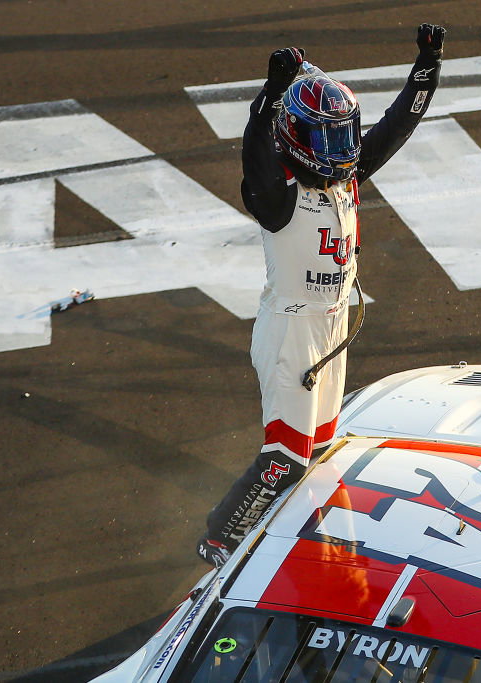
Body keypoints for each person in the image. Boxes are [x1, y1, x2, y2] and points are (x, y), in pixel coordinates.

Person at [198, 24, 446, 567]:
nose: (337, 151)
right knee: (287, 457)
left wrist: (427, 66)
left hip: (332, 329)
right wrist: (270, 92)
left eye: (342, 135)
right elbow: (254, 148)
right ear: (293, 134)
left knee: (321, 452)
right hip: (292, 329)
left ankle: (290, 536)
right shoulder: (277, 195)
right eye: (323, 138)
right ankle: (221, 537)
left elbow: (400, 124)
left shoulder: (345, 176)